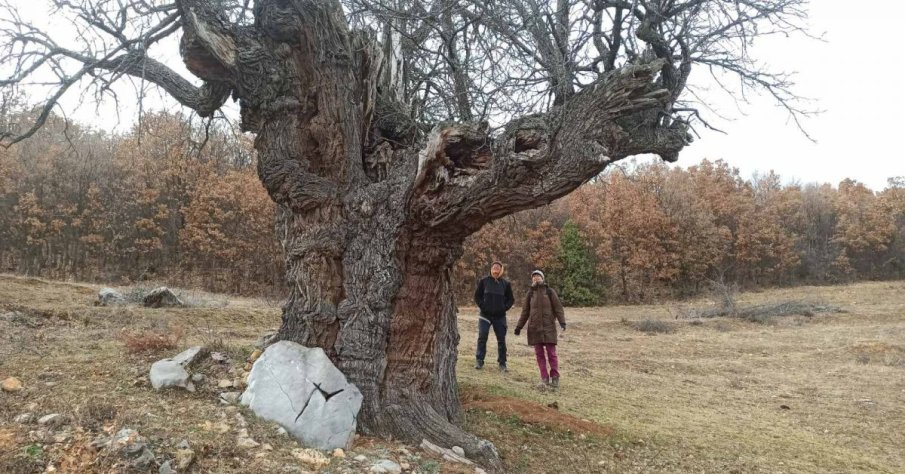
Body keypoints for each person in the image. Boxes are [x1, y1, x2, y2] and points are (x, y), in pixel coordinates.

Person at [515, 270, 566, 389]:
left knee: (551, 354)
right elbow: (525, 312)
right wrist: (519, 327)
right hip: (534, 328)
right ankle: (544, 377)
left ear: (542, 278)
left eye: (538, 276)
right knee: (539, 354)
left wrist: (562, 322)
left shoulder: (550, 291)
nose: (536, 278)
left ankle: (555, 377)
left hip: (548, 327)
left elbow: (558, 308)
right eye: (534, 277)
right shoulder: (530, 293)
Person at [473, 261, 515, 371]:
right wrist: (483, 307)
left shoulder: (506, 284)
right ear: (491, 269)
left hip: (499, 317)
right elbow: (477, 296)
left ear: (501, 270)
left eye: (498, 267)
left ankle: (502, 363)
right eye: (494, 267)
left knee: (501, 339)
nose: (495, 269)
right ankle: (479, 360)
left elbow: (511, 300)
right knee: (482, 336)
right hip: (485, 315)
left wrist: (503, 308)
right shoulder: (484, 281)